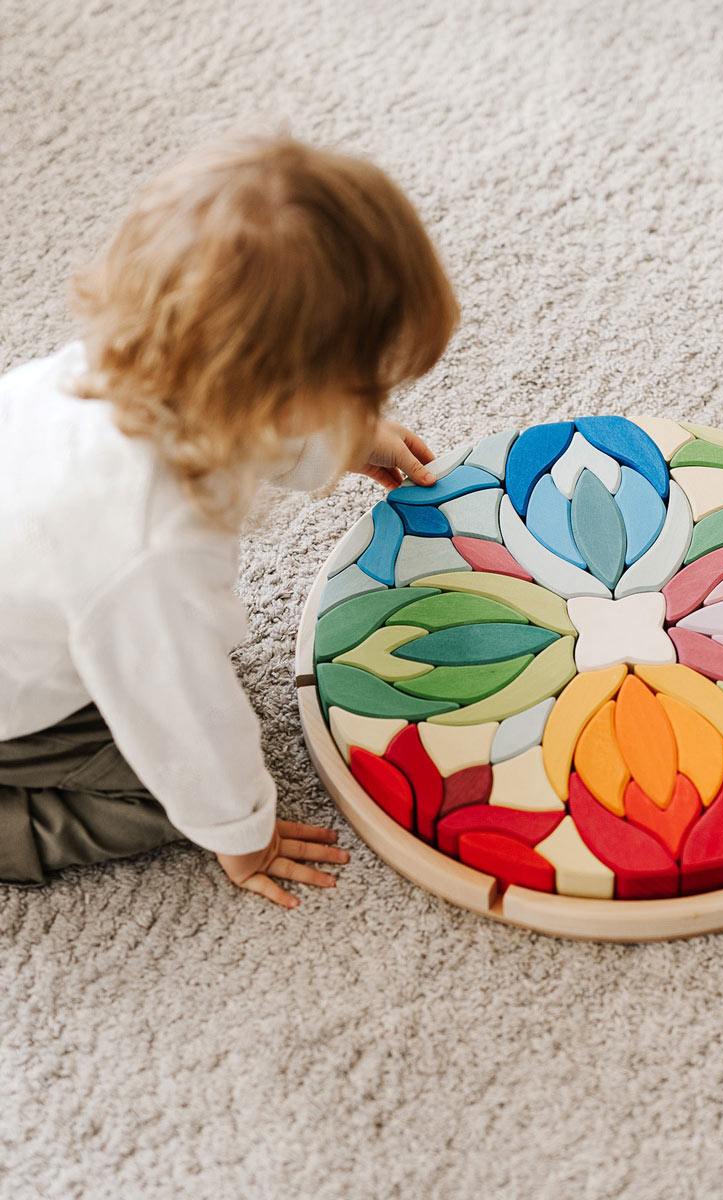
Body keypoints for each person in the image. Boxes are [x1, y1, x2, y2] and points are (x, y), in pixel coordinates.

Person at [0, 134, 458, 906]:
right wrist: (243, 833)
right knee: (168, 797)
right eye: (361, 395)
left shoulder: (118, 368)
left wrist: (337, 439)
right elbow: (180, 719)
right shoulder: (150, 552)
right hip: (19, 710)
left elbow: (244, 413)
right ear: (281, 401)